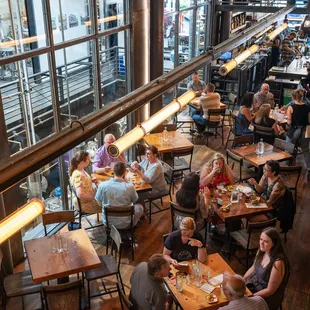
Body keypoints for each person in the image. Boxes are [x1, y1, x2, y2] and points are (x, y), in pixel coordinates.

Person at [244, 227, 290, 310]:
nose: (262, 243)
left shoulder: (278, 263)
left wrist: (251, 297)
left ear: (274, 244)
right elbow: (254, 267)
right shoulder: (261, 250)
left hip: (268, 297)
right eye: (261, 239)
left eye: (266, 241)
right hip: (254, 285)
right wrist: (242, 279)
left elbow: (270, 290)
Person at [95, 162, 143, 229]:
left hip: (108, 222)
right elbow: (135, 200)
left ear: (113, 172)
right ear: (124, 173)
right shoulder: (130, 187)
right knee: (140, 207)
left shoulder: (102, 185)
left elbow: (99, 203)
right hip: (126, 223)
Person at [286, 88, 310, 173]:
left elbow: (289, 121)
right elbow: (309, 120)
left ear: (293, 97)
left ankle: (286, 168)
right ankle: (309, 168)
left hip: (294, 130)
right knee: (306, 150)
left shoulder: (291, 107)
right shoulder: (308, 107)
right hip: (304, 130)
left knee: (288, 148)